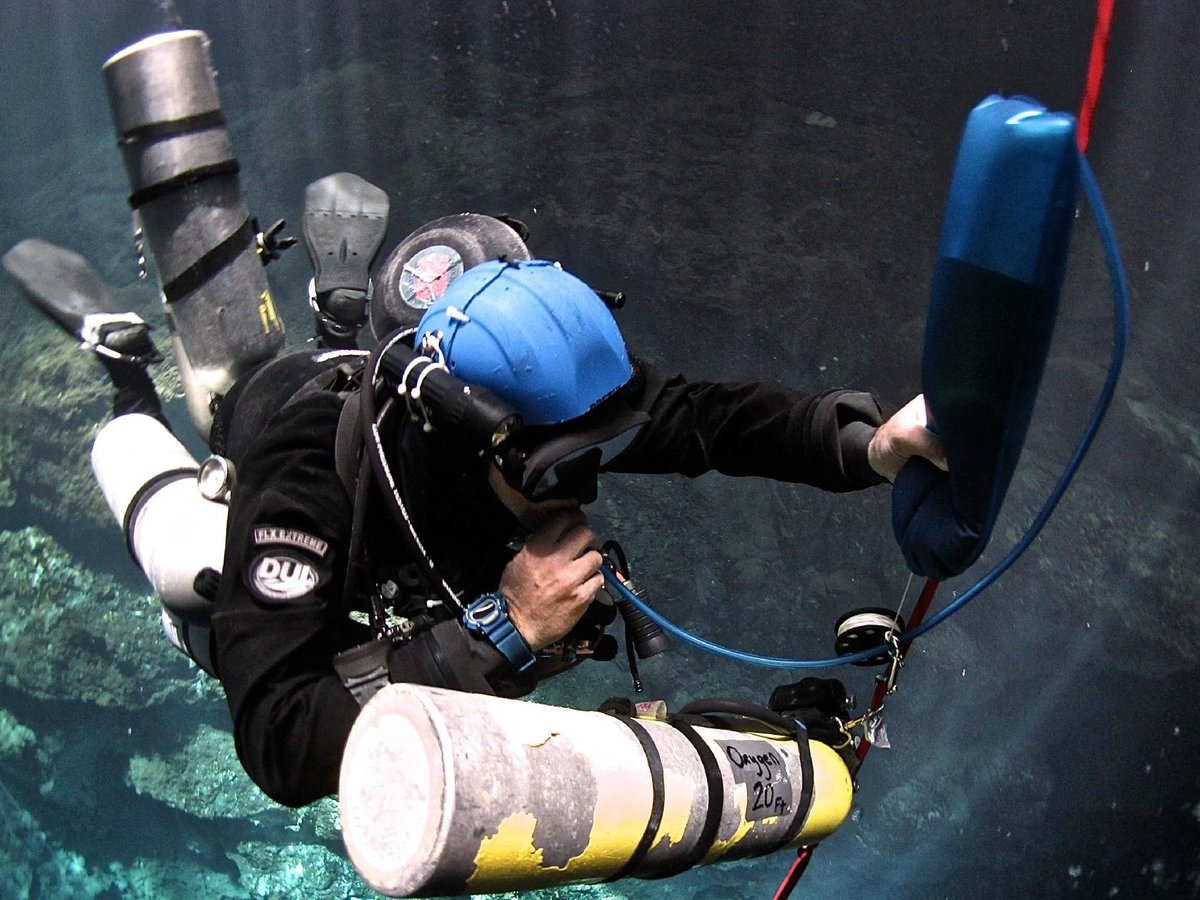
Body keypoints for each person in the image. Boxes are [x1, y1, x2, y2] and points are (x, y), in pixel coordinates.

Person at [6, 233, 944, 810]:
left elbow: (706, 418)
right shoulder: (307, 493)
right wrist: (502, 631)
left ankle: (342, 319)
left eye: (600, 450)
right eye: (564, 468)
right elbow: (278, 742)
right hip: (275, 455)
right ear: (479, 442)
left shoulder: (558, 404)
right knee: (187, 573)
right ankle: (125, 373)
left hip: (398, 439)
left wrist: (867, 445)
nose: (587, 485)